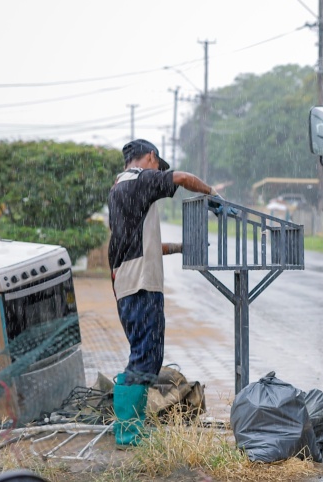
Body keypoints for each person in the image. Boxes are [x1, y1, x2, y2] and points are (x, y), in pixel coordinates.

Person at [106, 139, 216, 446]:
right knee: (144, 358)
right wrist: (211, 192)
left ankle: (133, 425)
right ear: (150, 158)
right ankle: (128, 433)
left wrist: (181, 248)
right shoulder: (140, 179)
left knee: (145, 356)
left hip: (129, 282)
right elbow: (180, 177)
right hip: (141, 283)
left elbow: (144, 245)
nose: (158, 173)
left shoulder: (120, 188)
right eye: (157, 167)